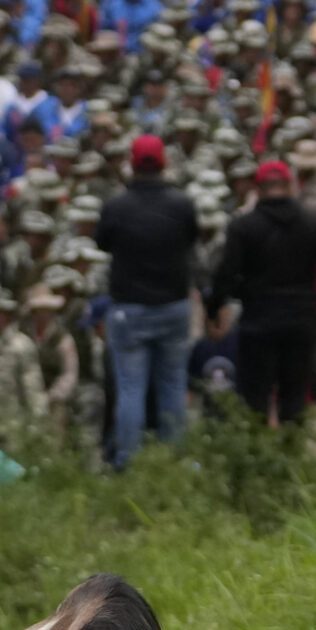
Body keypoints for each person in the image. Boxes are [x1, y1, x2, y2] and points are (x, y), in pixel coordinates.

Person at [208, 160, 316, 427]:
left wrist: (214, 310)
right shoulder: (314, 223)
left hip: (258, 322)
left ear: (258, 188)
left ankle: (260, 457)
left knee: (255, 397)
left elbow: (225, 275)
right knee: (295, 394)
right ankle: (292, 452)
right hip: (301, 320)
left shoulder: (243, 226)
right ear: (290, 186)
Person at [94, 132, 198, 467]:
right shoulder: (181, 204)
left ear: (131, 164)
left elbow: (102, 243)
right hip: (173, 307)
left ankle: (128, 461)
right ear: (164, 164)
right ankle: (176, 459)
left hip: (130, 309)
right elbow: (191, 239)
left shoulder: (116, 205)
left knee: (130, 389)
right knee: (172, 386)